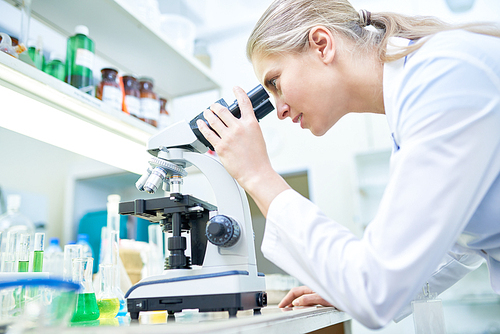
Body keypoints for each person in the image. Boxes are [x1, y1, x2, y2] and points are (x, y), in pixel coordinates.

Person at [196, 0, 500, 329]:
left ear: (321, 45)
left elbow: (376, 291)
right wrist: (343, 283)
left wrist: (258, 176)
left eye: (276, 83)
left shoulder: (443, 78)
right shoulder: (422, 88)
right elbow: (459, 244)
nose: (279, 109)